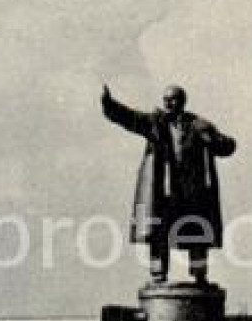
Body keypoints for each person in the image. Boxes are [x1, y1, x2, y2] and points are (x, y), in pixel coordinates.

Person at [101, 83, 236, 286]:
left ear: (182, 101)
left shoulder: (200, 126)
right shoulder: (155, 123)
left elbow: (228, 147)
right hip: (163, 192)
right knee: (159, 233)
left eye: (172, 99)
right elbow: (129, 118)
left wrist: (213, 141)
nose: (167, 103)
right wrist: (109, 104)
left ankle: (200, 275)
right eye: (165, 99)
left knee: (197, 234)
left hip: (192, 193)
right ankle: (158, 275)